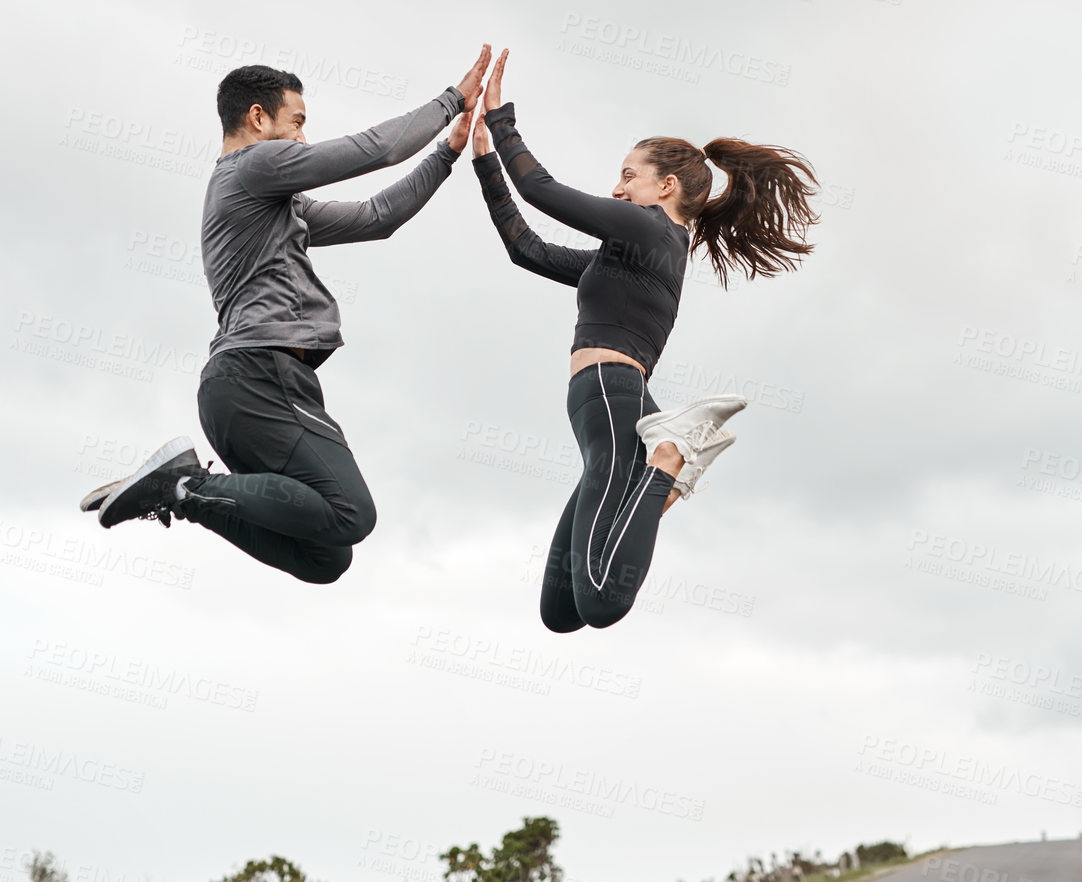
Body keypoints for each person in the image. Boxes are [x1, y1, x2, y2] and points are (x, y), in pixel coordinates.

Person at [79, 47, 492, 585]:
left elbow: (376, 217)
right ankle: (183, 484)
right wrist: (453, 100)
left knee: (327, 556)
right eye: (296, 122)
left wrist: (445, 154)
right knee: (352, 513)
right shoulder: (252, 166)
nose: (301, 137)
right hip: (259, 375)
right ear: (257, 118)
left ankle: (181, 493)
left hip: (240, 391)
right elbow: (376, 150)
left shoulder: (271, 204)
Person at [469, 50, 817, 632]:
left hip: (611, 393)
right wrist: (485, 163)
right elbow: (527, 249)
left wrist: (501, 120)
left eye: (629, 175)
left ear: (667, 186)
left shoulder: (652, 227)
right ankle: (670, 461)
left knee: (603, 603)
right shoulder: (632, 250)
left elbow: (542, 189)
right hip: (608, 408)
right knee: (562, 612)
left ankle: (673, 456)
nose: (617, 187)